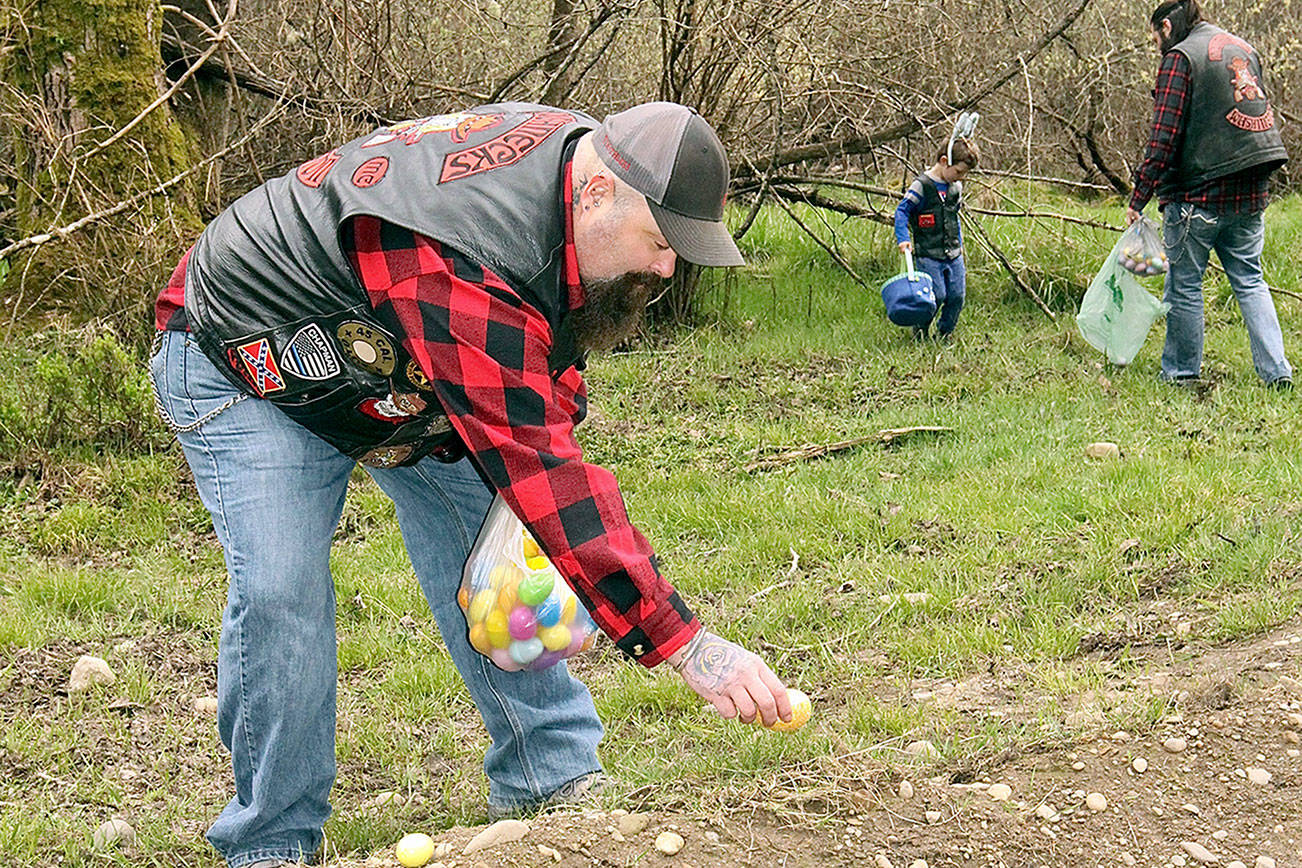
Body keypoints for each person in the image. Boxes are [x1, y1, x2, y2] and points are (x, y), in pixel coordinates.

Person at [149, 101, 794, 868]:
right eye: (658, 242)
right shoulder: (458, 248)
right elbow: (542, 465)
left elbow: (535, 352)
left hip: (399, 368)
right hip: (248, 353)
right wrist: (686, 645)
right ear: (598, 193)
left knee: (506, 559)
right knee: (281, 589)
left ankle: (549, 782)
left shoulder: (574, 169)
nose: (665, 268)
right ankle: (272, 841)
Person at [1125, 0, 1292, 389]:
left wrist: (1139, 196)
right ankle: (1277, 372)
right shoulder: (1242, 47)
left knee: (1184, 284)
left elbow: (1163, 136)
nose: (1157, 46)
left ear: (1166, 26)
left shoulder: (1179, 58)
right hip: (1251, 192)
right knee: (1251, 279)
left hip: (1197, 197)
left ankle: (1182, 374)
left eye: (1155, 37)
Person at [893, 137, 979, 341]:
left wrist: (959, 243)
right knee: (935, 295)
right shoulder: (921, 186)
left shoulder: (955, 188)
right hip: (928, 253)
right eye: (958, 172)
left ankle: (944, 334)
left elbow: (953, 216)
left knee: (957, 296)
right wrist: (903, 238)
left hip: (953, 252)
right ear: (943, 161)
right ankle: (920, 331)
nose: (961, 177)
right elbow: (902, 211)